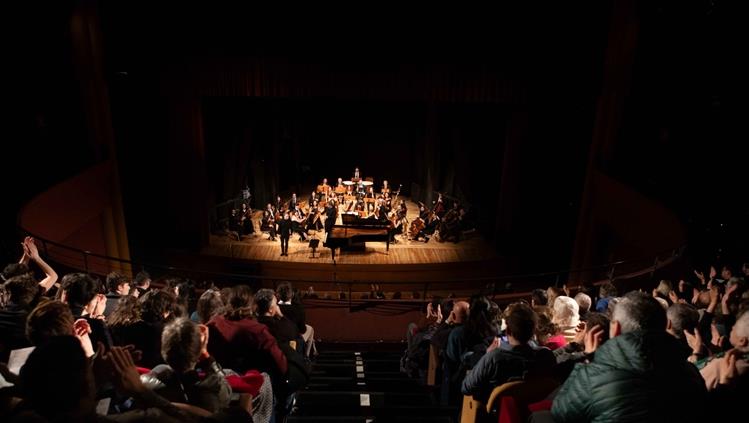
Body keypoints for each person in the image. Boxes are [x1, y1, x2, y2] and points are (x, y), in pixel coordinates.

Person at [551, 291, 708, 423]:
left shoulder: (593, 374)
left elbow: (560, 413)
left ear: (615, 328)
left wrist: (586, 360)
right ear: (666, 325)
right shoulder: (692, 373)